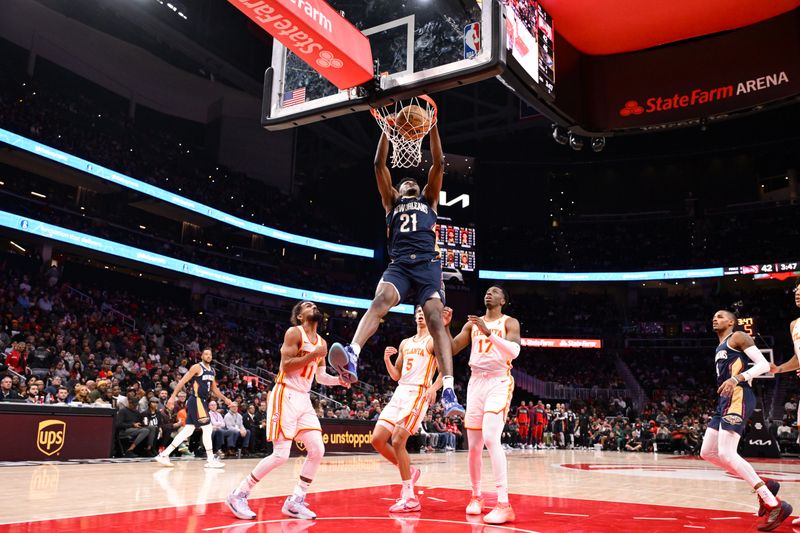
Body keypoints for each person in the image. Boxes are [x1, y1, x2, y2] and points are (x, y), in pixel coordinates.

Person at [327, 119, 464, 418]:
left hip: (427, 265)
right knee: (379, 301)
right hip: (400, 265)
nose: (410, 183)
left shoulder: (429, 200)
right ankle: (353, 353)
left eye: (413, 182)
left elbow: (439, 163)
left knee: (435, 321)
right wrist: (387, 131)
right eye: (405, 183)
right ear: (398, 190)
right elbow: (378, 164)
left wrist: (435, 126)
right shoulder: (391, 202)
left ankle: (450, 390)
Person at [226, 301, 350, 520]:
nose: (313, 307)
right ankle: (239, 494)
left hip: (304, 399)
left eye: (314, 305)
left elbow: (320, 376)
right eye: (307, 306)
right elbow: (286, 366)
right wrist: (314, 355)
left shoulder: (322, 342)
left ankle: (295, 501)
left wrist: (338, 381)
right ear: (300, 316)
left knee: (317, 450)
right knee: (281, 455)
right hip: (285, 394)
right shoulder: (295, 333)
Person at [700, 310, 791, 530]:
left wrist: (737, 378)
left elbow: (762, 365)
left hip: (739, 395)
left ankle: (774, 504)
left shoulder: (738, 336)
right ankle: (766, 485)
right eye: (713, 316)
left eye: (721, 316)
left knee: (727, 453)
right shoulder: (719, 347)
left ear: (731, 322)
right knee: (707, 452)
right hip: (724, 400)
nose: (715, 318)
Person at [449, 286, 521, 525]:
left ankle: (504, 503)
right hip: (476, 382)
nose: (488, 293)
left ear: (503, 300)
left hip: (499, 380)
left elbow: (514, 351)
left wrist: (488, 333)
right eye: (487, 291)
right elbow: (450, 348)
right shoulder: (472, 324)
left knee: (491, 437)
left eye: (495, 291)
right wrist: (445, 326)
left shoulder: (510, 322)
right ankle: (476, 496)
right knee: (474, 446)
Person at [371, 306, 444, 512]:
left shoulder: (433, 341)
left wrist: (434, 387)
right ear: (415, 317)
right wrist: (387, 360)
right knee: (377, 440)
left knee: (397, 440)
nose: (421, 314)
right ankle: (409, 470)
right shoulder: (405, 343)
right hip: (400, 392)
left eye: (424, 311)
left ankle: (410, 497)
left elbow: (445, 369)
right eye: (418, 311)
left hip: (418, 393)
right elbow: (395, 375)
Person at [154, 348, 232, 468]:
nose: (208, 356)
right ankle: (210, 459)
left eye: (210, 354)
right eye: (206, 354)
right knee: (207, 428)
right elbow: (182, 382)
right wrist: (172, 397)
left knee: (188, 430)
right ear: (202, 356)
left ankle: (164, 455)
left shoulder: (212, 371)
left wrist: (225, 399)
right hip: (196, 400)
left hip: (203, 401)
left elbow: (214, 389)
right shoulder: (197, 367)